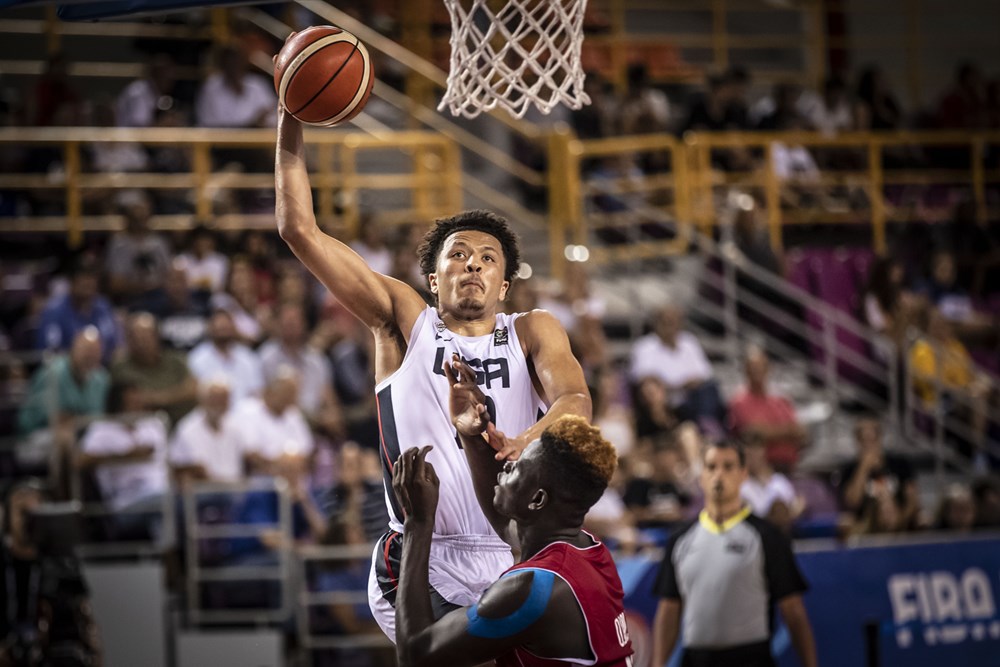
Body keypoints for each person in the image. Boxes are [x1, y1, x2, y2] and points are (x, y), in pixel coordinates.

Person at [275, 96, 591, 640]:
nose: (473, 262)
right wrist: (290, 119)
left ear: (505, 285)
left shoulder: (532, 329)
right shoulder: (404, 322)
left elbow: (576, 403)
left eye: (488, 258)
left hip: (512, 547)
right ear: (433, 278)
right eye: (458, 254)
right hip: (423, 553)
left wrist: (526, 439)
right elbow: (298, 230)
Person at [392, 359, 632, 666]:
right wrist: (469, 436)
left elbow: (416, 654)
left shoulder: (532, 589)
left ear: (537, 500)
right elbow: (510, 526)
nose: (506, 464)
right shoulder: (587, 549)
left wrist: (418, 522)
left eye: (517, 467)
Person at [652, 441, 817, 667]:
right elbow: (669, 609)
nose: (719, 475)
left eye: (728, 467)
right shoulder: (680, 539)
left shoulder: (766, 537)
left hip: (751, 658)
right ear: (701, 476)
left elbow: (793, 611)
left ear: (743, 475)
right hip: (695, 659)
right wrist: (657, 663)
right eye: (711, 467)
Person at [727, 346, 807, 474]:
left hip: (789, 466)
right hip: (759, 471)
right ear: (745, 371)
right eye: (753, 368)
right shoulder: (739, 401)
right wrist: (788, 432)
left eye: (760, 367)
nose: (757, 372)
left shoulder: (780, 400)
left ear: (768, 369)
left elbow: (800, 432)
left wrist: (770, 432)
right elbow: (754, 434)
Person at [110, 312, 197, 425]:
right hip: (141, 427)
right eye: (136, 338)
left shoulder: (176, 361)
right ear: (128, 340)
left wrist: (157, 399)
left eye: (146, 337)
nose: (141, 343)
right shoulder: (121, 367)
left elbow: (192, 389)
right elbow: (130, 401)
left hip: (181, 424)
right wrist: (175, 394)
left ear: (157, 337)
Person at [835, 415, 920, 530]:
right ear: (857, 442)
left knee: (923, 519)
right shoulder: (849, 469)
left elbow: (912, 500)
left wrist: (899, 521)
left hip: (899, 520)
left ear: (880, 438)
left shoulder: (899, 463)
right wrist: (863, 468)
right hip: (864, 526)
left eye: (872, 439)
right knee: (845, 523)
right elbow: (852, 503)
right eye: (864, 441)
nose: (869, 445)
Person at [169, 380, 244, 486]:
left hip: (234, 490)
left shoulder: (235, 428)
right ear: (203, 400)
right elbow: (178, 468)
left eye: (223, 400)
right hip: (203, 493)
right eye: (214, 399)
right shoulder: (187, 428)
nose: (219, 404)